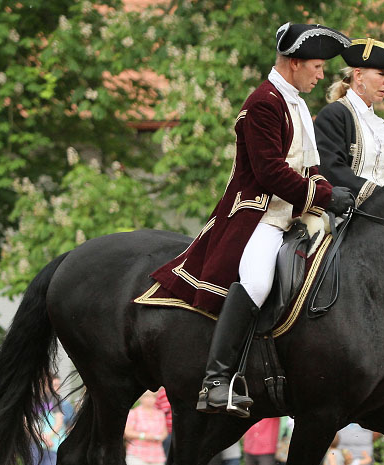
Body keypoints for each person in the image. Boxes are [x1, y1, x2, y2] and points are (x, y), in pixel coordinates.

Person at [150, 23, 353, 417]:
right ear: (294, 63)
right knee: (258, 281)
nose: (321, 73)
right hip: (258, 214)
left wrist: (335, 196)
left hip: (293, 213)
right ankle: (216, 380)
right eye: (316, 66)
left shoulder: (296, 104)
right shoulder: (263, 102)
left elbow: (310, 167)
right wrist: (326, 196)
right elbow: (270, 172)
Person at [314, 36, 384, 206]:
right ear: (359, 76)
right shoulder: (335, 114)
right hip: (343, 216)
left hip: (382, 215)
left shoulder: (378, 126)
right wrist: (381, 197)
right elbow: (331, 170)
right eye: (382, 74)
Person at [123, 390, 168, 465]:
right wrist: (145, 436)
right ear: (141, 398)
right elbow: (127, 432)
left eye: (153, 397)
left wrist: (159, 437)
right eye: (147, 396)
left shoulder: (160, 414)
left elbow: (164, 432)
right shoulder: (134, 413)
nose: (150, 399)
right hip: (137, 453)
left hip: (156, 454)